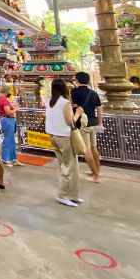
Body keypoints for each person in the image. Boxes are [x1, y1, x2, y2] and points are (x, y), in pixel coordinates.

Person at [46, 79, 85, 207]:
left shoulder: (50, 102)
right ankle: (63, 195)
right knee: (69, 166)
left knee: (66, 165)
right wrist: (78, 114)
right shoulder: (65, 102)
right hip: (64, 136)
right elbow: (69, 121)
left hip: (53, 135)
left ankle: (72, 195)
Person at [71, 72, 103, 184]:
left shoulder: (75, 92)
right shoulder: (93, 93)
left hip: (82, 123)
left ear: (77, 80)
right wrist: (100, 122)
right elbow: (99, 109)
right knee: (94, 147)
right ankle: (97, 171)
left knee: (86, 149)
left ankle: (95, 176)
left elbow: (74, 107)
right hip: (93, 122)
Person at [0, 85, 24, 168]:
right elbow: (8, 112)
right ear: (6, 92)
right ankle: (5, 160)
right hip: (7, 120)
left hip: (9, 121)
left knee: (12, 141)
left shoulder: (2, 99)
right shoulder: (4, 100)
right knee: (8, 140)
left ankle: (14, 159)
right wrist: (16, 109)